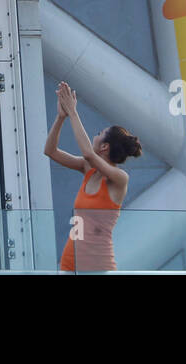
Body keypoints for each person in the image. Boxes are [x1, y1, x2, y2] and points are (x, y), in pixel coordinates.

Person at [45, 81, 142, 271]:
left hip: (98, 266)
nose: (95, 135)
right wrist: (61, 117)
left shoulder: (119, 178)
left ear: (105, 147)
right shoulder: (88, 169)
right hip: (70, 263)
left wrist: (73, 112)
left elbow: (88, 153)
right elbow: (50, 151)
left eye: (99, 133)